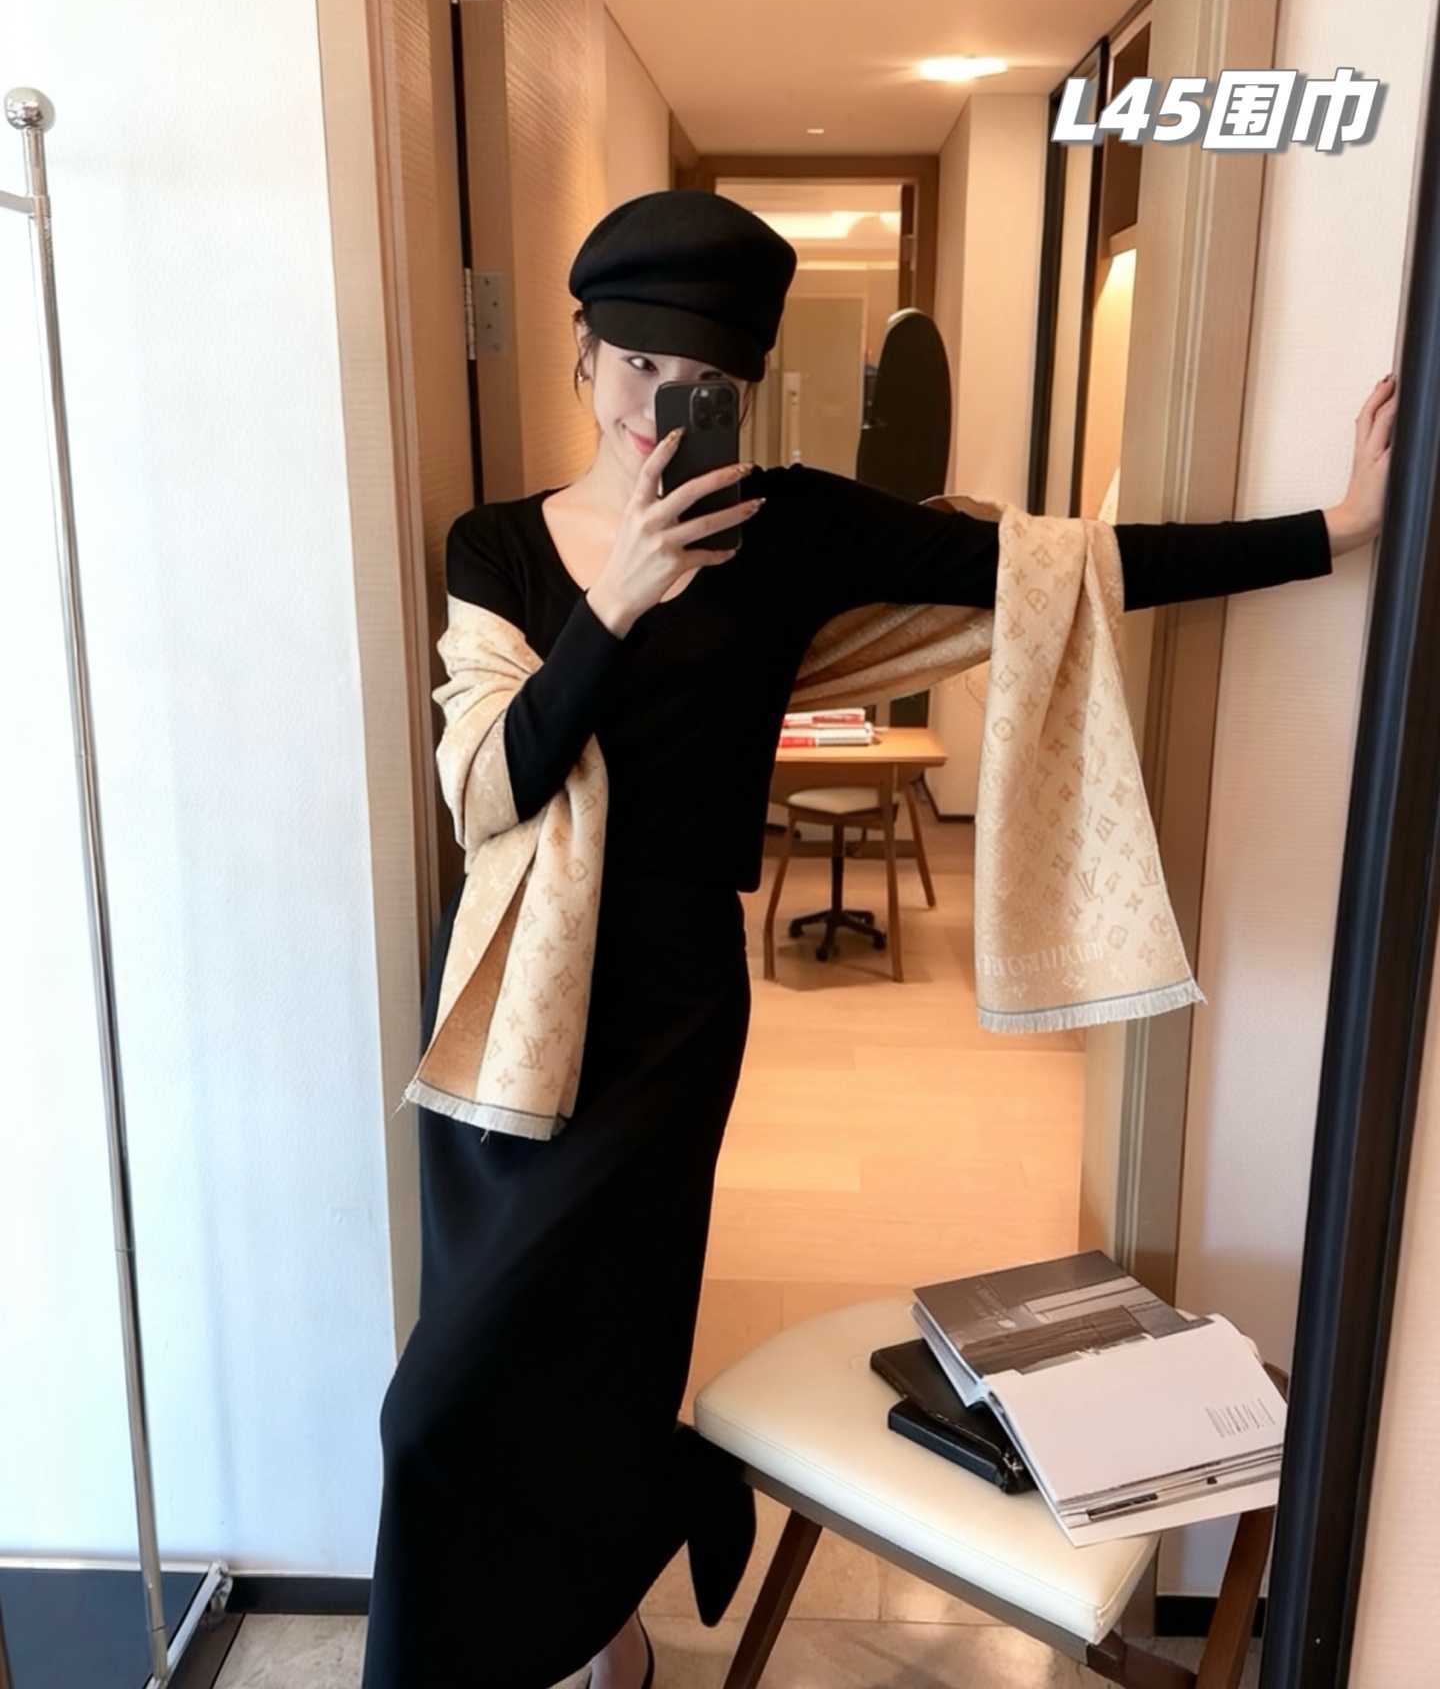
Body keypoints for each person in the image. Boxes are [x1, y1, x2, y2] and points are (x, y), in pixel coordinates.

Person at [361, 191, 1396, 1689]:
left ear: (744, 390)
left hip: (665, 1008)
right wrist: (622, 595)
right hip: (506, 1003)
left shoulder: (792, 531)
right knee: (458, 1393)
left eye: (702, 381)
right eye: (637, 365)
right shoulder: (498, 547)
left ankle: (590, 1623)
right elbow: (490, 787)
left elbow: (1073, 565)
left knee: (590, 1349)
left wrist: (1337, 528)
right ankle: (626, 1596)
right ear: (581, 352)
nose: (658, 408)